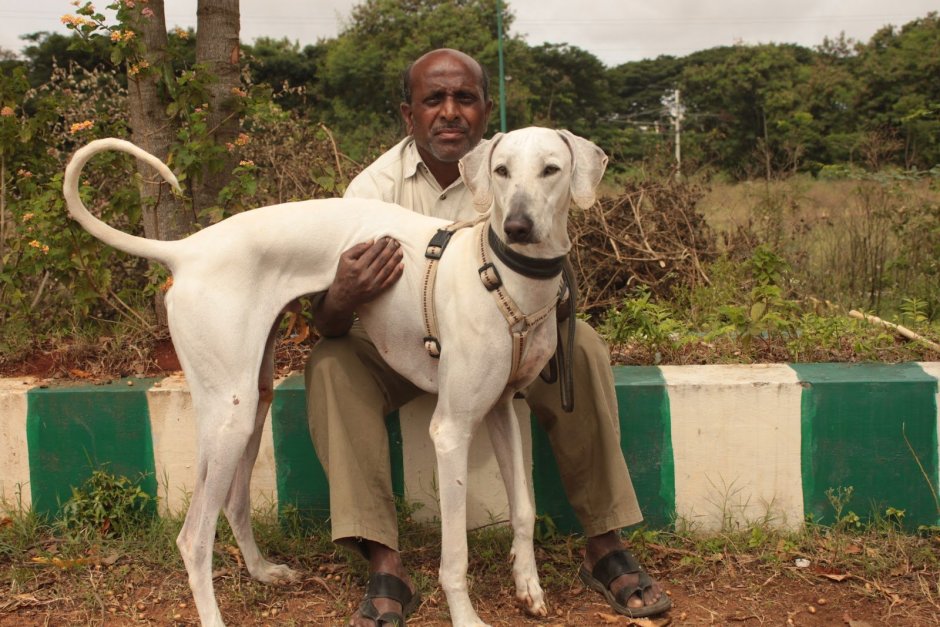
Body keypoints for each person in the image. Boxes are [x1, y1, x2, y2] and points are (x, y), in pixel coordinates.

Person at [304, 48, 671, 627]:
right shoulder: (370, 191)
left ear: (485, 110)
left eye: (465, 99)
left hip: (501, 344)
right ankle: (385, 562)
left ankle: (605, 542)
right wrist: (342, 294)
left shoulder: (519, 162)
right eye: (433, 100)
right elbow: (326, 320)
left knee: (582, 347)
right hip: (400, 350)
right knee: (330, 362)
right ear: (409, 114)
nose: (450, 113)